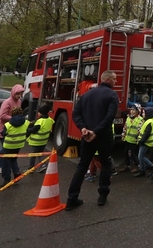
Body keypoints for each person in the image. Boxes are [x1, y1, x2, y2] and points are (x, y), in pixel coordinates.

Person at [65, 70, 119, 211]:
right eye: (114, 79)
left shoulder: (86, 95)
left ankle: (72, 198)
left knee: (82, 166)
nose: (116, 81)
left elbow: (76, 114)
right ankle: (102, 195)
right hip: (103, 136)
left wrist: (83, 128)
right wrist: (96, 131)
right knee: (106, 163)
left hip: (87, 136)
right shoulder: (112, 95)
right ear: (107, 80)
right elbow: (109, 117)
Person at [0, 107, 30, 187]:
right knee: (13, 159)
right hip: (19, 145)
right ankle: (17, 173)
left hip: (9, 145)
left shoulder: (8, 124)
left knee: (6, 162)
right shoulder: (26, 122)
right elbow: (28, 130)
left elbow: (3, 133)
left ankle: (7, 179)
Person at [26, 103, 54, 172]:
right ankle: (43, 166)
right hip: (43, 141)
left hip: (36, 141)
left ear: (41, 113)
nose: (38, 113)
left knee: (33, 155)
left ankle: (31, 168)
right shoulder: (50, 120)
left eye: (39, 112)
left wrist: (27, 130)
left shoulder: (40, 121)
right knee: (40, 154)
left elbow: (33, 130)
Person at [119, 105, 143, 173]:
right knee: (125, 152)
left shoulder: (140, 120)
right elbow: (125, 128)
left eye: (134, 110)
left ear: (137, 111)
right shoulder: (128, 118)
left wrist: (138, 139)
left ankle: (138, 166)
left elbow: (140, 131)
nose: (131, 111)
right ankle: (127, 166)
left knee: (133, 154)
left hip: (134, 140)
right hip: (127, 139)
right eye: (131, 110)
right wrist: (123, 135)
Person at [134, 113, 153, 178]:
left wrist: (141, 140)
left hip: (145, 143)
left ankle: (151, 166)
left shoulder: (149, 122)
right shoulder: (147, 121)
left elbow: (147, 134)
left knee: (140, 156)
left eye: (144, 113)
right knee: (141, 156)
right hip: (144, 142)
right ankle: (142, 170)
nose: (142, 114)